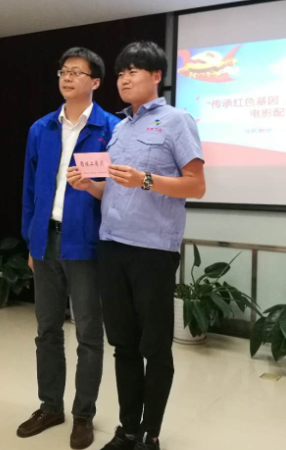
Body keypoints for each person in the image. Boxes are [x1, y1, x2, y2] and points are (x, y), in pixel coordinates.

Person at [67, 41, 206, 450]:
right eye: (121, 73)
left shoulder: (177, 121)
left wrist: (146, 179)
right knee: (123, 344)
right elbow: (115, 190)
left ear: (156, 76)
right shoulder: (120, 128)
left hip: (153, 251)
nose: (125, 79)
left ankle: (150, 434)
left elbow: (196, 185)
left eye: (134, 71)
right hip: (112, 246)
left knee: (154, 346)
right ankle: (128, 429)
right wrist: (91, 186)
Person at [18, 47, 120, 450]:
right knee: (46, 330)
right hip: (46, 239)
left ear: (95, 82)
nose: (68, 77)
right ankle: (50, 407)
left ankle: (83, 415)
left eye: (78, 72)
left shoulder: (111, 128)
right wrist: (32, 240)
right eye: (64, 71)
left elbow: (120, 191)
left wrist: (94, 188)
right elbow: (29, 190)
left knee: (89, 334)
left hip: (87, 242)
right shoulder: (41, 128)